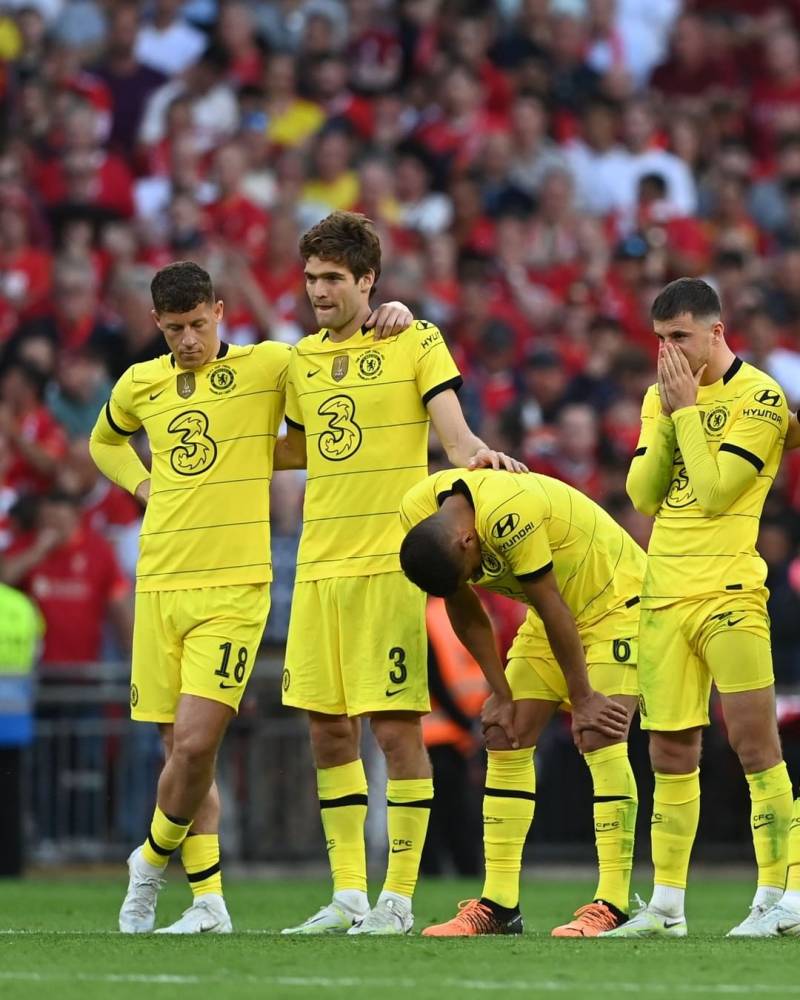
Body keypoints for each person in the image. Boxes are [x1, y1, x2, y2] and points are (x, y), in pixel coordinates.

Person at [89, 259, 411, 934]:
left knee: (200, 742)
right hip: (159, 583)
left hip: (235, 586)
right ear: (157, 324)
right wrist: (145, 487)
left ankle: (148, 862)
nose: (187, 340)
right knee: (179, 750)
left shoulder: (268, 366)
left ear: (221, 311)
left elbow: (326, 405)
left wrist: (397, 318)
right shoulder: (141, 382)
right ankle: (207, 902)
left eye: (198, 325)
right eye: (174, 328)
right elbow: (104, 441)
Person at [278, 211, 525, 937]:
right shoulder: (297, 362)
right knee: (327, 732)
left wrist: (479, 456)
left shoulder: (414, 338)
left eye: (332, 279)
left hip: (387, 565)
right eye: (311, 278)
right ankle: (349, 895)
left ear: (367, 280)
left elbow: (453, 434)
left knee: (394, 731)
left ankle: (399, 899)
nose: (318, 291)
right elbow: (300, 449)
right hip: (317, 566)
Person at [604, 277, 793, 939]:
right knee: (670, 752)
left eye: (680, 337)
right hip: (664, 595)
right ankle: (666, 908)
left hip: (729, 593)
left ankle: (782, 897)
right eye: (660, 340)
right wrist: (667, 412)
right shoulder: (661, 396)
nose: (669, 353)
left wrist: (683, 412)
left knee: (753, 746)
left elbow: (715, 493)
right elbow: (644, 493)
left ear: (716, 332)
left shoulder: (761, 397)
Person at [398, 468, 639, 937]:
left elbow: (552, 605)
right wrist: (501, 694)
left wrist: (584, 696)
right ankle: (499, 906)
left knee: (598, 732)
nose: (471, 577)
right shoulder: (417, 513)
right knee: (504, 734)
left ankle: (613, 903)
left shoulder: (509, 514)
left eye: (470, 570)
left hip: (613, 602)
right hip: (553, 615)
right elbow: (461, 603)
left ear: (469, 540)